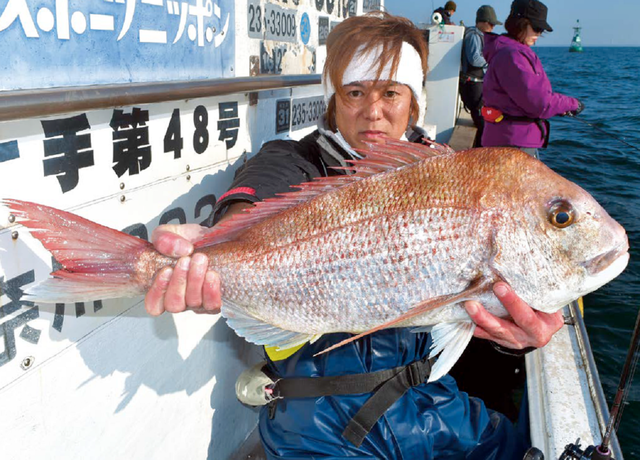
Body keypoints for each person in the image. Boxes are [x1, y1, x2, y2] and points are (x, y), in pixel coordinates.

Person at [145, 12, 564, 459]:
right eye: (356, 92)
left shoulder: (447, 175)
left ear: (414, 102)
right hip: (318, 419)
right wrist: (213, 245)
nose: (373, 111)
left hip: (432, 405)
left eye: (391, 93)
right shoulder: (294, 160)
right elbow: (254, 203)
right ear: (334, 100)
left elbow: (468, 316)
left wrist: (514, 336)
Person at [481, 0, 584, 158]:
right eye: (536, 28)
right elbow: (539, 103)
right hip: (513, 145)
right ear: (520, 24)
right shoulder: (513, 56)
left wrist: (559, 107)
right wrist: (572, 104)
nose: (539, 34)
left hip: (509, 140)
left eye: (541, 29)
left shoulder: (508, 51)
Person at [459, 5, 502, 147]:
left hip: (477, 84)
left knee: (483, 120)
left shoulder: (479, 35)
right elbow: (474, 59)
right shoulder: (473, 36)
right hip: (472, 86)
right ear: (481, 21)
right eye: (490, 23)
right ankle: (481, 153)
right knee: (482, 121)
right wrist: (492, 60)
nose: (492, 27)